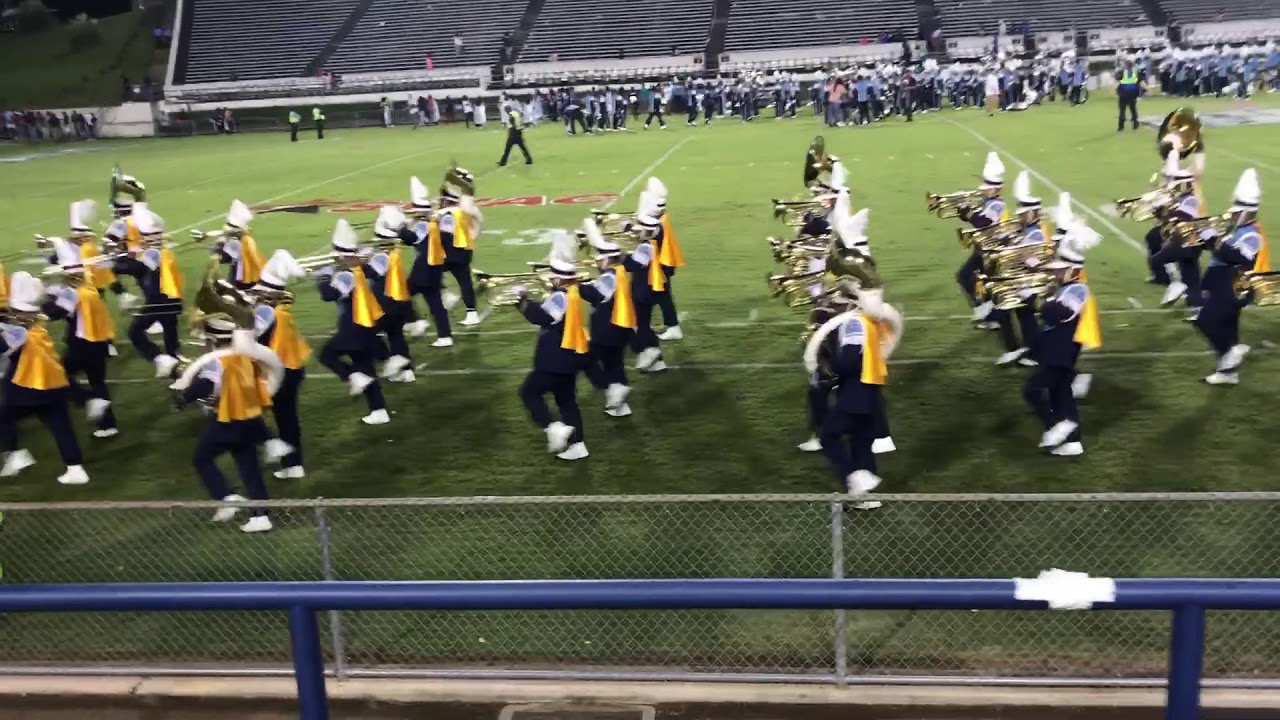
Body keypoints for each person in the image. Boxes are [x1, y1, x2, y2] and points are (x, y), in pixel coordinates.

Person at [170, 313, 287, 534]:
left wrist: (183, 398)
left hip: (229, 420)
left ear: (213, 338)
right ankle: (261, 516)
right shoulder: (247, 357)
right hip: (250, 418)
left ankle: (226, 496)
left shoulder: (217, 360)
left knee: (202, 458)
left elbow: (206, 384)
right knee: (249, 468)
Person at [0, 272, 90, 485]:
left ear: (19, 313)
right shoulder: (37, 326)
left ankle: (15, 454)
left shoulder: (17, 334)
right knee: (61, 427)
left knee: (3, 419)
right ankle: (75, 468)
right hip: (53, 386)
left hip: (27, 389)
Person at [1023, 220, 1102, 457]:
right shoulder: (1064, 287)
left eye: (1059, 270)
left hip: (1061, 353)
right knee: (1062, 397)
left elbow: (1060, 312)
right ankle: (1073, 442)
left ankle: (1056, 425)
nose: (1055, 273)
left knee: (1031, 390)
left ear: (1073, 271)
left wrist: (1035, 300)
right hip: (1054, 351)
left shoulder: (1079, 289)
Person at [516, 234, 591, 461]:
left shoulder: (561, 296)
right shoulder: (571, 293)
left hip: (554, 360)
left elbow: (543, 317)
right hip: (569, 358)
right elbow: (550, 310)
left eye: (552, 276)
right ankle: (578, 445)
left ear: (559, 279)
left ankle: (553, 428)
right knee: (567, 401)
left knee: (528, 392)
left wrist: (522, 302)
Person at [315, 220, 391, 425]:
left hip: (353, 327)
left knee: (326, 354)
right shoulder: (357, 270)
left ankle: (351, 376)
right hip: (364, 328)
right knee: (366, 369)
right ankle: (379, 410)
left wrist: (322, 278)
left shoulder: (348, 275)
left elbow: (329, 295)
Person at [43, 236, 117, 440]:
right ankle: (107, 424)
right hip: (100, 343)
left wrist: (38, 301)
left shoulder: (72, 293)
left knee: (57, 373)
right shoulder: (89, 287)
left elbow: (54, 312)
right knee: (98, 382)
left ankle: (86, 400)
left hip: (82, 344)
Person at [1196, 169, 1263, 385]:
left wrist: (1215, 240)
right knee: (1227, 326)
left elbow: (1239, 258)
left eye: (1237, 212)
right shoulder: (1234, 229)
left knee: (1205, 321)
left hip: (1233, 284)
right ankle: (1227, 373)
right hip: (1221, 280)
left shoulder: (1253, 235)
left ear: (1248, 212)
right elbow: (1218, 250)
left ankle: (1230, 353)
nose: (1232, 214)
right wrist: (1206, 237)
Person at [250, 250, 311, 478]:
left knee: (245, 412)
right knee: (287, 418)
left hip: (279, 374)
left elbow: (255, 341)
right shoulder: (280, 311)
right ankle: (293, 464)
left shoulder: (268, 314)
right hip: (292, 370)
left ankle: (273, 446)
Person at [578, 219, 637, 417]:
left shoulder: (610, 275)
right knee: (614, 364)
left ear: (607, 259)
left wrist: (576, 286)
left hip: (607, 328)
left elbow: (597, 295)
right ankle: (620, 406)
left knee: (585, 360)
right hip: (619, 327)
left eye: (599, 257)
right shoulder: (618, 270)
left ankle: (611, 389)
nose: (596, 260)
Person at [1116, 58, 1141, 131]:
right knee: (1133, 109)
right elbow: (1141, 82)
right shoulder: (1136, 72)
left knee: (1122, 110)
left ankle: (1121, 127)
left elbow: (1116, 81)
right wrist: (1148, 89)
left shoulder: (1122, 72)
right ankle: (1135, 124)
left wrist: (1115, 90)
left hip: (1123, 93)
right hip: (1133, 93)